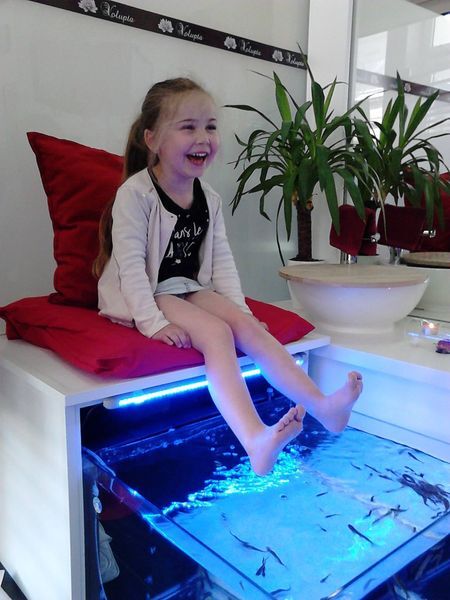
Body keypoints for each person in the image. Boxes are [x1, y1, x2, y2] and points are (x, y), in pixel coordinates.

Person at [93, 77, 363, 476]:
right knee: (217, 334)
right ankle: (254, 439)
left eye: (210, 126)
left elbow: (222, 262)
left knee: (246, 327)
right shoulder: (136, 194)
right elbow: (132, 268)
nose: (203, 137)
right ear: (152, 139)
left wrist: (243, 312)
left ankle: (324, 408)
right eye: (188, 127)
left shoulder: (209, 198)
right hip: (151, 292)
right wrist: (153, 323)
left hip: (188, 287)